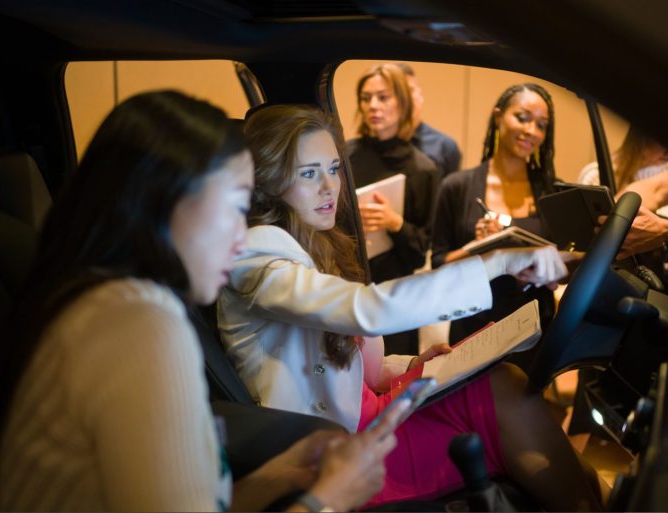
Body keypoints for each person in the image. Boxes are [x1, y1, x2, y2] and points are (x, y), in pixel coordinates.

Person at [0, 91, 400, 512]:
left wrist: (279, 476)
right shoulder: (137, 326)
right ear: (164, 207)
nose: (242, 237)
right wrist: (330, 496)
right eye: (233, 210)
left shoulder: (110, 304)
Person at [218, 103, 602, 511]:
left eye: (333, 168)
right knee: (517, 408)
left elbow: (357, 369)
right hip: (337, 449)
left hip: (369, 411)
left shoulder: (315, 242)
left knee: (522, 403)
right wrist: (500, 261)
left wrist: (414, 364)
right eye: (309, 174)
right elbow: (366, 310)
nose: (330, 187)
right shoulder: (257, 255)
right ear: (268, 181)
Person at [430, 83, 558, 346]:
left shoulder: (554, 194)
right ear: (498, 117)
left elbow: (571, 261)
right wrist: (478, 247)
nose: (530, 131)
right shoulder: (456, 187)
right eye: (522, 118)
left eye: (541, 125)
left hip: (533, 329)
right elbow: (439, 267)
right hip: (471, 327)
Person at [347, 62, 441, 355]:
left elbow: (420, 249)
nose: (373, 105)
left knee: (395, 378)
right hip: (348, 288)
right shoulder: (344, 155)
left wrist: (395, 223)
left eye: (383, 97)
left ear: (402, 102)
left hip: (397, 295)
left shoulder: (423, 168)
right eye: (366, 98)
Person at [395, 62, 463, 177]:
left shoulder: (445, 146)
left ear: (420, 95)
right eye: (400, 92)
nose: (406, 98)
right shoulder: (377, 142)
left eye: (410, 90)